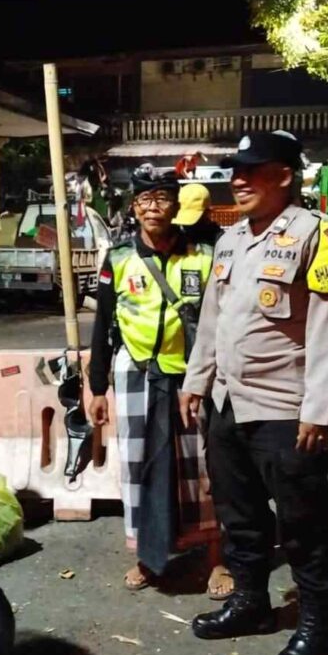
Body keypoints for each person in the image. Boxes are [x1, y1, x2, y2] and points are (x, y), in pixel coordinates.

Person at [179, 131, 328, 655]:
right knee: (241, 515)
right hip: (230, 402)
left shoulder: (319, 235)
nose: (237, 179)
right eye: (236, 170)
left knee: (304, 522)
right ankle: (251, 601)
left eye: (250, 170)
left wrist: (318, 411)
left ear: (283, 175)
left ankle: (317, 626)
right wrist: (196, 380)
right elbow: (212, 319)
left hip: (286, 407)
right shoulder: (231, 240)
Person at [88, 169, 220, 594]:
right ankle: (148, 558)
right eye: (144, 200)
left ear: (176, 206)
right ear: (134, 208)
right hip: (136, 373)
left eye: (162, 199)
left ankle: (218, 557)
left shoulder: (204, 254)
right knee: (137, 465)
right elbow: (103, 323)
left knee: (201, 466)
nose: (152, 208)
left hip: (191, 376)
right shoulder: (118, 258)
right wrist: (95, 388)